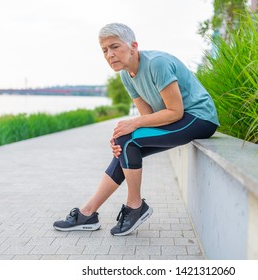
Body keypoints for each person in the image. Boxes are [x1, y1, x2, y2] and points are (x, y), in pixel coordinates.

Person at [53, 23, 219, 236]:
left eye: (115, 47)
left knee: (128, 140)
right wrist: (123, 134)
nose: (110, 55)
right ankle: (88, 213)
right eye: (104, 50)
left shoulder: (157, 64)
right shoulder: (125, 75)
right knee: (125, 145)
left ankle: (135, 206)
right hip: (178, 119)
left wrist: (132, 126)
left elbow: (175, 112)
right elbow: (148, 116)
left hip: (199, 117)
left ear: (133, 46)